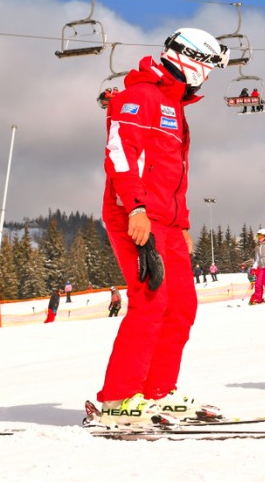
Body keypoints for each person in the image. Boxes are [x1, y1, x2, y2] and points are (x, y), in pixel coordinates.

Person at [96, 27, 228, 425]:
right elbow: (121, 155)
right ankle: (118, 400)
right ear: (191, 61)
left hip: (167, 222)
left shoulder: (175, 105)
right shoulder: (139, 97)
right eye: (207, 67)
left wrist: (183, 223)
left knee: (182, 306)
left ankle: (157, 392)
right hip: (135, 215)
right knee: (150, 303)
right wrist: (136, 209)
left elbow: (174, 174)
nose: (207, 76)